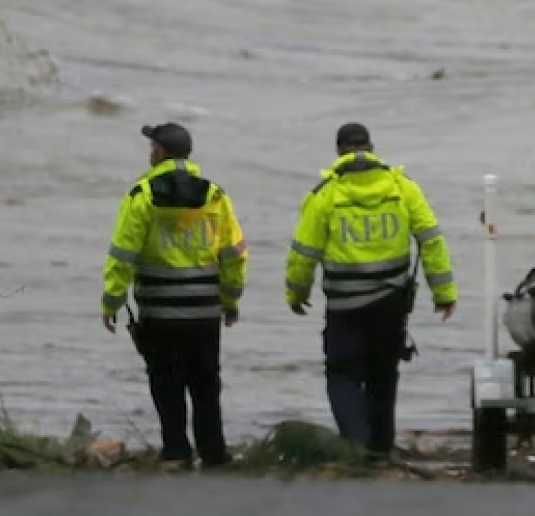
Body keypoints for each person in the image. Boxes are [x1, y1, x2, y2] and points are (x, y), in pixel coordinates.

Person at [285, 122, 457, 459]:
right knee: (384, 374)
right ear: (372, 148)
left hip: (344, 305)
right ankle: (381, 448)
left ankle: (357, 445)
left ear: (339, 151)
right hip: (391, 301)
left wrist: (297, 294)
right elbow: (430, 240)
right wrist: (444, 293)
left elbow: (304, 253)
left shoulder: (325, 195)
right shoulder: (402, 188)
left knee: (342, 373)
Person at [103, 123, 246, 468]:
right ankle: (213, 453)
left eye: (152, 147)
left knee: (166, 382)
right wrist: (230, 301)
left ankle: (176, 452)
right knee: (206, 383)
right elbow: (234, 254)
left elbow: (123, 254)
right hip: (204, 310)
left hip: (159, 311)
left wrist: (112, 300)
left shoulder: (142, 195)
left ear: (160, 153)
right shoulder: (215, 195)